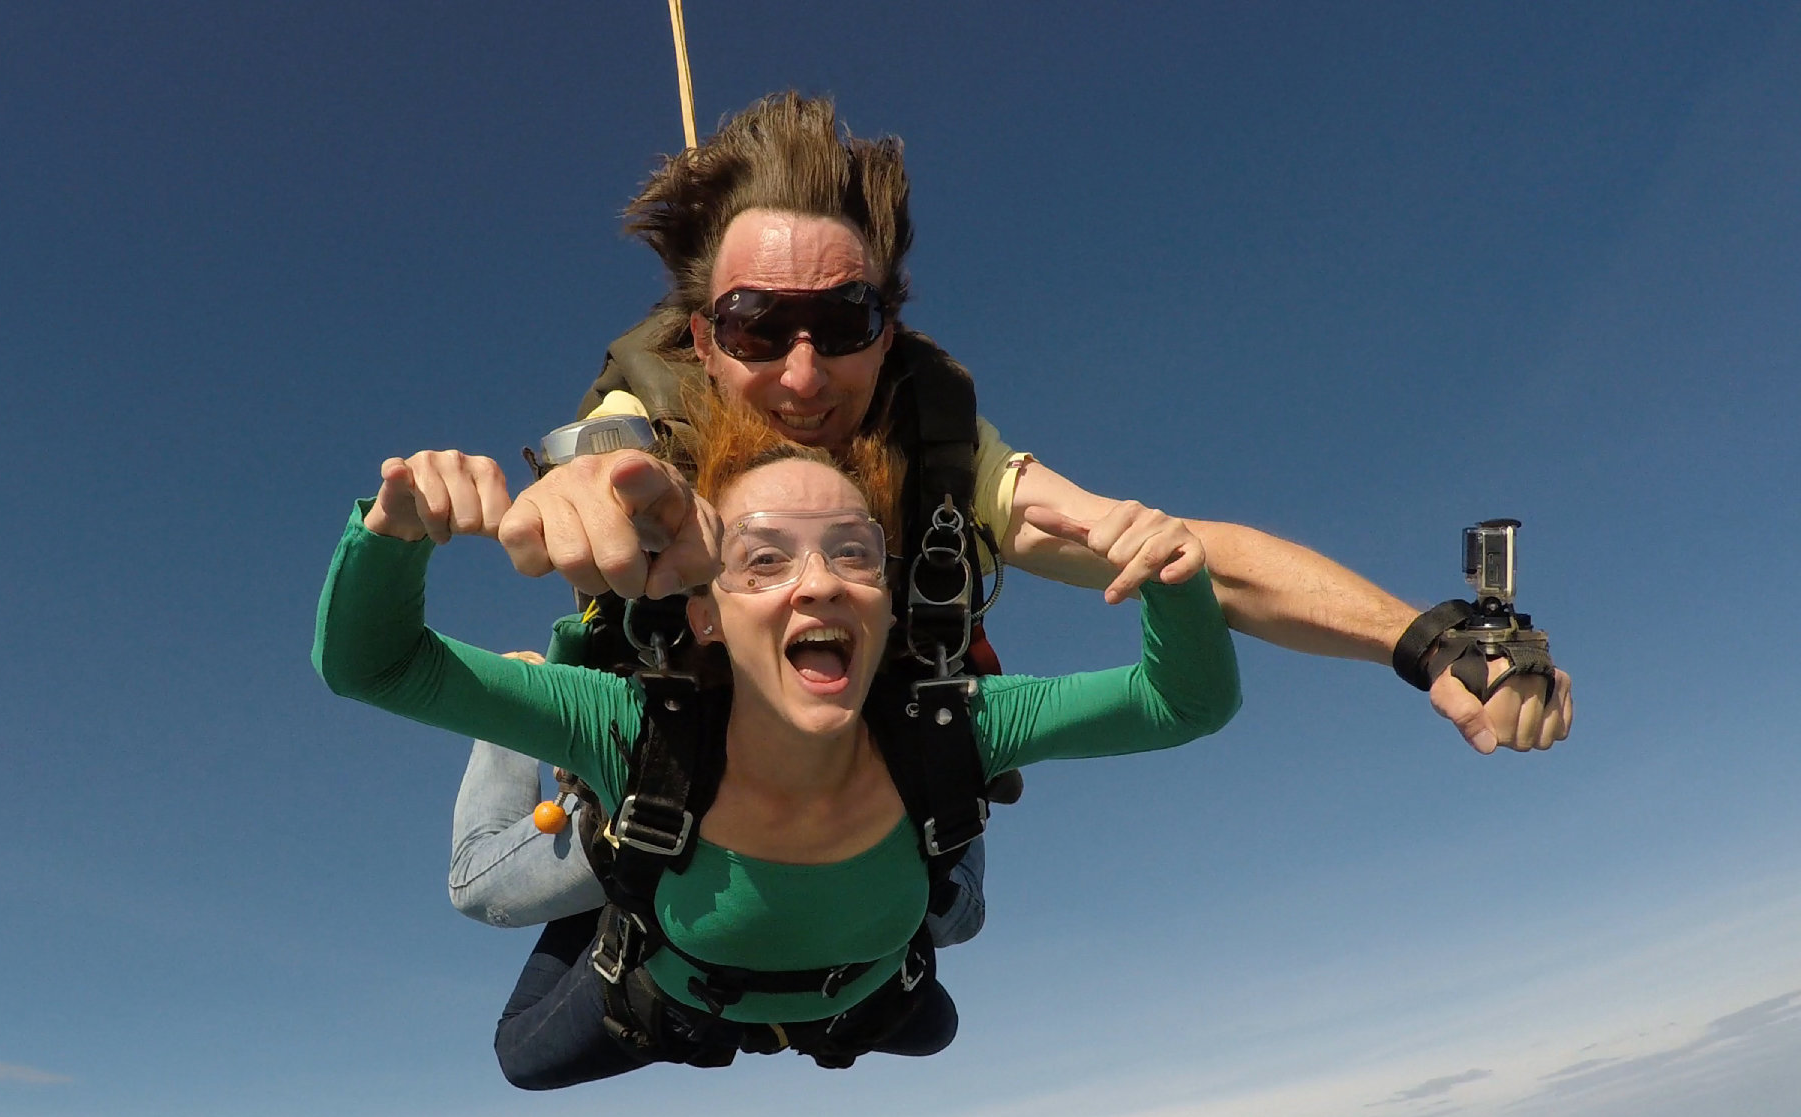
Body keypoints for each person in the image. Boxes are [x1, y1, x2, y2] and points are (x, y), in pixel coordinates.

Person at [443, 91, 1571, 937]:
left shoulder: (945, 463)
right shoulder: (652, 423)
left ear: (888, 329)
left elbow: (1183, 558)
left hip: (864, 782)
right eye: (755, 326)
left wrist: (1424, 640)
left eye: (843, 322)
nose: (802, 375)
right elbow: (603, 468)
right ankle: (533, 742)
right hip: (671, 768)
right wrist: (587, 488)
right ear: (701, 338)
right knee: (493, 891)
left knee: (951, 910)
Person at [313, 393, 1241, 1088]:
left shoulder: (953, 719)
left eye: (854, 552)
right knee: (521, 1054)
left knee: (938, 965)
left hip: (858, 994)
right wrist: (394, 532)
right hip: (676, 997)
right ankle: (606, 846)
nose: (820, 583)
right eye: (763, 559)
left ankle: (863, 878)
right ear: (706, 615)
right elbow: (374, 666)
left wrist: (1171, 577)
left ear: (887, 601)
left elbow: (1182, 704)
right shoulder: (623, 722)